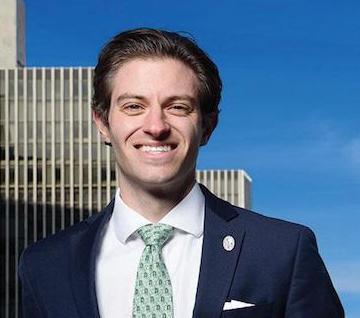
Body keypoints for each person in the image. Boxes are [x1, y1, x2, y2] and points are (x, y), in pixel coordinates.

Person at [19, 28, 344, 318]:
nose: (156, 126)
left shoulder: (283, 252)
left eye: (178, 107)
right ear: (103, 123)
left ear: (207, 126)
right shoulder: (45, 265)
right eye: (134, 106)